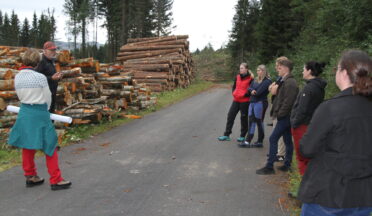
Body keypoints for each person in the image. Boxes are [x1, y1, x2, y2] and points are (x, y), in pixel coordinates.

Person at [298, 50, 372, 215]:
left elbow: (306, 149)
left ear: (344, 73)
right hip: (364, 196)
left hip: (328, 195)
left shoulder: (330, 108)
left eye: (337, 69)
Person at [8, 48, 71, 190]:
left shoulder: (17, 76)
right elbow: (47, 98)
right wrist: (46, 111)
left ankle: (30, 176)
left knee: (28, 143)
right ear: (37, 62)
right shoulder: (40, 77)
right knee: (50, 144)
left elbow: (19, 95)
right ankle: (56, 179)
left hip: (24, 111)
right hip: (39, 112)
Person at [256, 58, 298, 175]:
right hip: (285, 116)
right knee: (287, 140)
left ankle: (269, 167)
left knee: (273, 138)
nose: (277, 70)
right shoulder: (285, 81)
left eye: (279, 68)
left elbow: (288, 102)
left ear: (285, 68)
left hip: (285, 117)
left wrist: (280, 115)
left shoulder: (290, 83)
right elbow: (278, 97)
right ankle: (287, 164)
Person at [290, 61, 327, 175]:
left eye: (304, 69)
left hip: (302, 126)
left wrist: (294, 123)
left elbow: (302, 109)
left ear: (309, 71)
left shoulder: (309, 88)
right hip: (312, 124)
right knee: (308, 155)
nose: (302, 71)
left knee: (301, 156)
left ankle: (303, 187)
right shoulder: (319, 87)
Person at [218, 63, 253, 142]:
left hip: (245, 101)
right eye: (240, 68)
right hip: (236, 100)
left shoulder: (251, 79)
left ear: (246, 69)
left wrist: (244, 94)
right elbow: (234, 86)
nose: (240, 70)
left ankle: (242, 135)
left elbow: (251, 90)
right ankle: (227, 135)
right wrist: (234, 93)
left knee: (243, 118)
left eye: (242, 68)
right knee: (230, 115)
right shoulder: (237, 77)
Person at [239, 65, 272, 147]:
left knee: (259, 122)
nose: (258, 72)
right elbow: (249, 88)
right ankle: (247, 141)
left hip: (260, 103)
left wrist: (253, 91)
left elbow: (259, 92)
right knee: (251, 121)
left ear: (264, 71)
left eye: (260, 70)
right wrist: (252, 90)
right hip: (252, 103)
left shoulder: (267, 81)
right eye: (257, 70)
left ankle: (260, 141)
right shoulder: (256, 79)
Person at [35, 41, 63, 113]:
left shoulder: (52, 61)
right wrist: (51, 78)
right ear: (44, 51)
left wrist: (58, 77)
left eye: (54, 50)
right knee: (45, 115)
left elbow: (52, 76)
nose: (53, 52)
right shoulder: (41, 61)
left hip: (52, 93)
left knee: (51, 114)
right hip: (43, 96)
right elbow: (36, 78)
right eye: (51, 50)